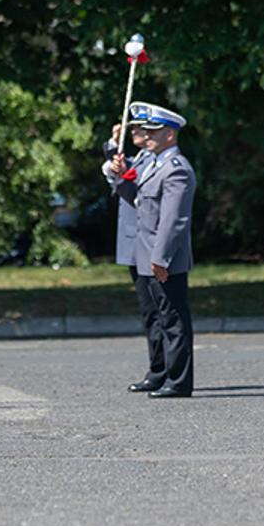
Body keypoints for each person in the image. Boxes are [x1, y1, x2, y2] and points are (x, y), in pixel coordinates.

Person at [112, 102, 196, 398]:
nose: (143, 133)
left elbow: (174, 221)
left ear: (169, 135)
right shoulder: (155, 164)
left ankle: (179, 380)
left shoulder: (177, 169)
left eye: (151, 130)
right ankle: (163, 375)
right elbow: (135, 199)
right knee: (158, 318)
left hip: (163, 258)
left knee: (173, 319)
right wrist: (119, 177)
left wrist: (160, 258)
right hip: (147, 254)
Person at [103, 119, 166, 392]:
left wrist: (118, 163)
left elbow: (133, 189)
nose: (135, 131)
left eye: (141, 128)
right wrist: (113, 148)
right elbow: (118, 177)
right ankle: (159, 369)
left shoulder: (156, 162)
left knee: (161, 312)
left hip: (150, 245)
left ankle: (166, 372)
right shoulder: (140, 158)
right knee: (150, 312)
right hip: (134, 246)